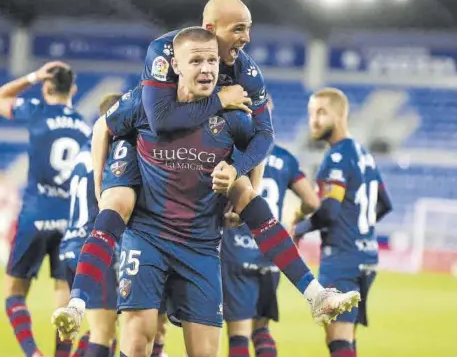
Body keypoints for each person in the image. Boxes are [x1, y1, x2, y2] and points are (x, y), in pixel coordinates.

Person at [53, 28, 360, 354]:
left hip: (200, 246)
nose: (207, 68)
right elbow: (103, 125)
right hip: (148, 238)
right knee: (138, 339)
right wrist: (101, 187)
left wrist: (244, 176)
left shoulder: (232, 117)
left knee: (248, 201)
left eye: (212, 60)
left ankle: (315, 294)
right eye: (196, 60)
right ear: (176, 65)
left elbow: (258, 142)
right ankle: (76, 303)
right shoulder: (148, 104)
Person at [0, 61, 91, 357]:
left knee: (15, 292)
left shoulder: (37, 111)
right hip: (71, 221)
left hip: (36, 215)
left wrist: (33, 76)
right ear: (73, 89)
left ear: (47, 86)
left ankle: (33, 353)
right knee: (63, 296)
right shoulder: (85, 126)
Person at [290, 88, 393, 357]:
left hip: (342, 258)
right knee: (348, 337)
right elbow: (385, 203)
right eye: (311, 113)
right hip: (367, 257)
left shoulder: (336, 157)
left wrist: (299, 230)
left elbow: (328, 212)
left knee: (338, 340)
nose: (314, 119)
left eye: (322, 112)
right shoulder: (363, 154)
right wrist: (360, 228)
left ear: (341, 115)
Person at [221, 125, 321, 357]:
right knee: (262, 329)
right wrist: (297, 217)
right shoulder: (286, 158)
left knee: (238, 333)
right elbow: (313, 202)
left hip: (237, 252)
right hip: (272, 254)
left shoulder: (234, 152)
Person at [60, 93, 123, 357]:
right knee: (103, 333)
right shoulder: (110, 155)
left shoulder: (83, 152)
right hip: (94, 249)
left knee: (100, 327)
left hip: (69, 247)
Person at [0, 170, 21, 267]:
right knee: (2, 237)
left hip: (3, 213)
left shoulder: (2, 188)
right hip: (7, 213)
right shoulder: (10, 188)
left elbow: (1, 202)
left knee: (1, 237)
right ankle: (4, 257)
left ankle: (4, 258)